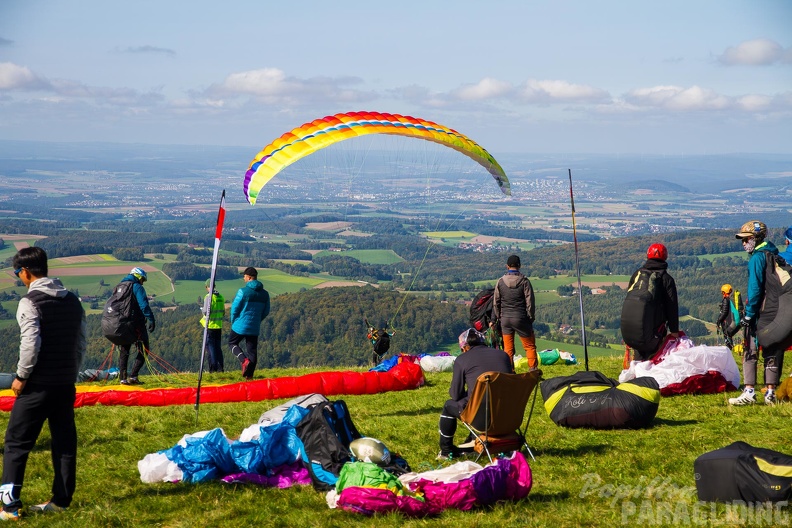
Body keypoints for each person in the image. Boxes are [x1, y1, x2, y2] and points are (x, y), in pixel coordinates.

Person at [1, 247, 86, 520]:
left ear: (25, 272)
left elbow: (31, 344)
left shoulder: (30, 302)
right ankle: (61, 501)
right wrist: (72, 372)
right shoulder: (74, 301)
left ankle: (9, 507)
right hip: (65, 383)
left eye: (18, 274)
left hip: (36, 384)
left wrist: (21, 376)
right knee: (64, 443)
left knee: (16, 444)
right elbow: (80, 343)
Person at [437, 328, 512, 460]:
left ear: (465, 347)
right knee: (476, 398)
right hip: (508, 414)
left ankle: (446, 450)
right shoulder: (503, 355)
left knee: (449, 405)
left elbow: (455, 395)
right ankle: (473, 439)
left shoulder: (462, 360)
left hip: (481, 417)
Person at [729, 220, 783, 406]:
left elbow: (755, 289)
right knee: (772, 349)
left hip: (760, 311)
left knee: (750, 349)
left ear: (755, 238)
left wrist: (749, 314)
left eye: (746, 239)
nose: (744, 244)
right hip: (776, 310)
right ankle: (771, 392)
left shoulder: (757, 259)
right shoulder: (774, 254)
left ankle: (749, 390)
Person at [624, 243, 680, 360]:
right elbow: (672, 307)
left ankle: (637, 373)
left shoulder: (637, 275)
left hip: (633, 329)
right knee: (652, 359)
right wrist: (674, 331)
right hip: (655, 331)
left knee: (639, 358)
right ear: (665, 257)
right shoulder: (666, 279)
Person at [493, 254, 537, 370]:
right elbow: (530, 301)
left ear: (507, 266)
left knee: (508, 349)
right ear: (519, 266)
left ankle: (510, 372)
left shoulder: (500, 281)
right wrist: (530, 317)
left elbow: (496, 302)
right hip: (521, 318)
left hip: (505, 319)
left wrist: (499, 317)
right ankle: (533, 371)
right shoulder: (524, 281)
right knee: (529, 346)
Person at [229, 267, 270, 380]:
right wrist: (257, 320)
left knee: (232, 343)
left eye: (245, 276)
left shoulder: (242, 291)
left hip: (240, 324)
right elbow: (266, 311)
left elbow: (234, 309)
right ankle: (250, 377)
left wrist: (234, 321)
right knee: (252, 351)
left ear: (249, 277)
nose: (243, 278)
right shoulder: (265, 294)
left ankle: (244, 360)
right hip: (254, 325)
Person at [117, 267, 156, 385]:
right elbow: (143, 305)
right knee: (144, 348)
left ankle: (122, 379)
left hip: (121, 323)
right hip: (135, 323)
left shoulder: (120, 286)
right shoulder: (137, 287)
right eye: (142, 279)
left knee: (125, 350)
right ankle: (133, 376)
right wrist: (151, 319)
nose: (142, 282)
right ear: (139, 276)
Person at [200, 279, 225, 373]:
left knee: (210, 349)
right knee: (218, 348)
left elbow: (206, 312)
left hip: (210, 326)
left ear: (207, 287)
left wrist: (202, 310)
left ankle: (213, 369)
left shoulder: (208, 297)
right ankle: (220, 368)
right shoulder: (221, 297)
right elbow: (223, 312)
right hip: (218, 326)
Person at [715, 284, 743, 350]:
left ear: (724, 292)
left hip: (728, 323)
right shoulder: (731, 300)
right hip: (737, 321)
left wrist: (718, 321)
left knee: (727, 336)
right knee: (729, 335)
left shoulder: (726, 300)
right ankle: (731, 349)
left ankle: (730, 350)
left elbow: (724, 312)